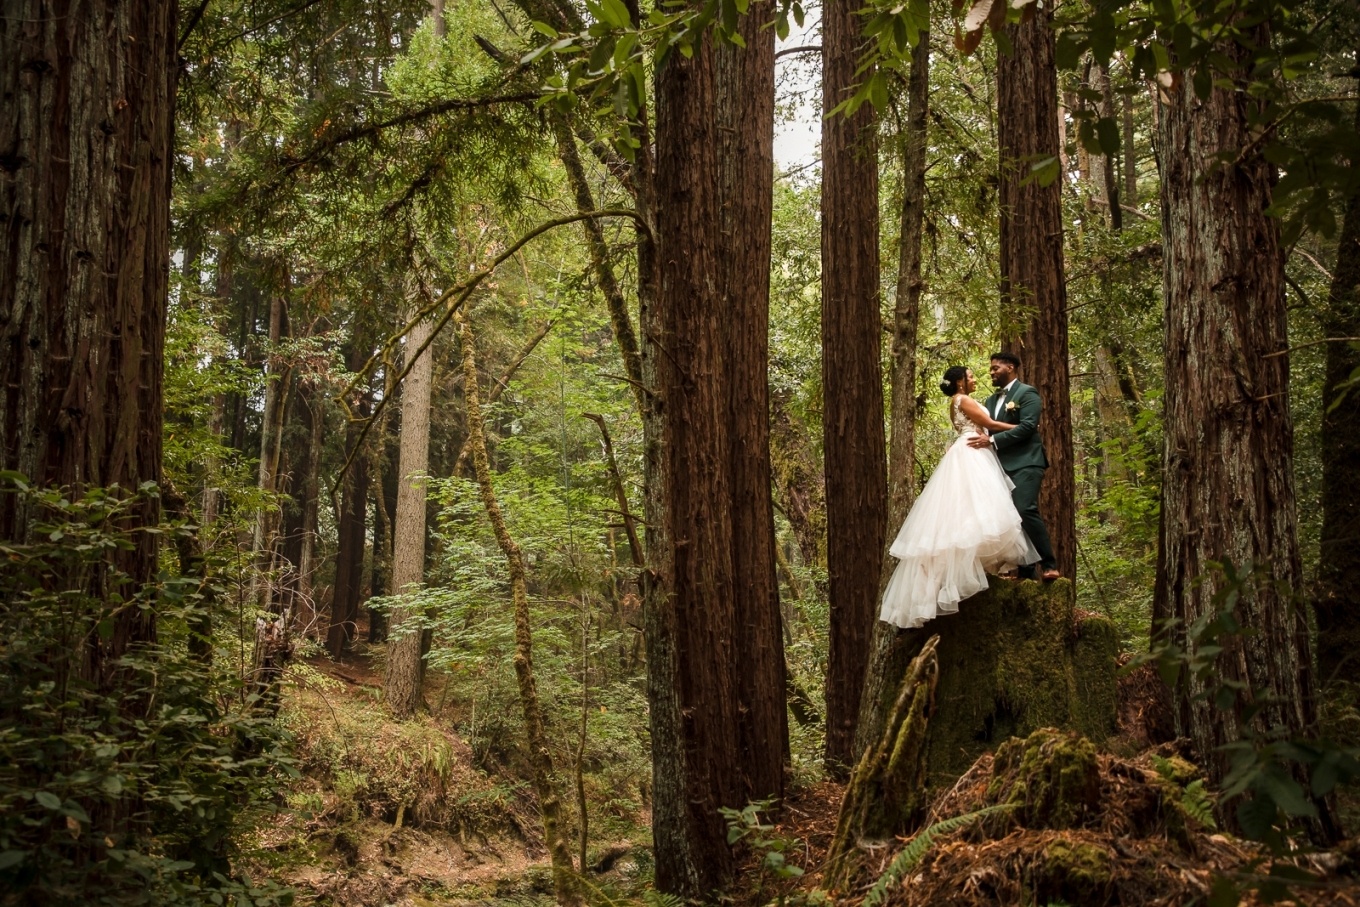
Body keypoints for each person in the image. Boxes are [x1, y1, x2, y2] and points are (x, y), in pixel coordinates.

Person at [879, 366, 1039, 630]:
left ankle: (972, 570)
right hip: (971, 453)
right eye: (971, 376)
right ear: (960, 383)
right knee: (973, 507)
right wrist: (1024, 428)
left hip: (974, 450)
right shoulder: (962, 399)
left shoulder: (959, 400)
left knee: (967, 509)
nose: (975, 379)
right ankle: (958, 577)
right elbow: (988, 425)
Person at [966, 352, 1060, 581]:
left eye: (996, 368)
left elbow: (1029, 426)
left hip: (1027, 462)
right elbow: (985, 430)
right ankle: (1026, 569)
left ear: (1011, 367)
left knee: (1025, 508)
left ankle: (1049, 564)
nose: (992, 372)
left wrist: (993, 440)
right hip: (998, 467)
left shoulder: (1027, 393)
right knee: (1008, 517)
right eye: (991, 368)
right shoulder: (989, 401)